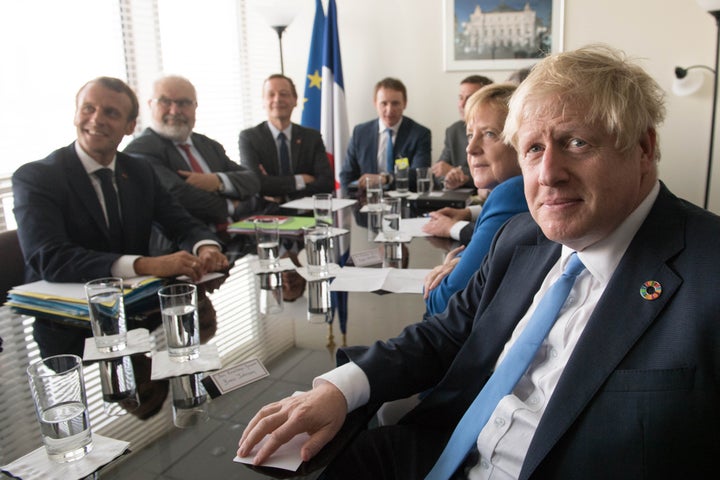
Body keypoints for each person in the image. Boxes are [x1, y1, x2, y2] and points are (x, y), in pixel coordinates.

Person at [236, 45, 720, 478]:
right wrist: (339, 389)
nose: (548, 173)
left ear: (644, 148)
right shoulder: (522, 235)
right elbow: (445, 333)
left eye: (577, 142)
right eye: (533, 149)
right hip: (439, 449)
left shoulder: (708, 270)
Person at [12, 76, 229, 284]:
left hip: (133, 306)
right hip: (59, 311)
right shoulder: (37, 177)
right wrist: (144, 265)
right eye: (88, 108)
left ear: (130, 126)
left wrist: (206, 247)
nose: (96, 119)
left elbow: (180, 223)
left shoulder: (139, 171)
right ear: (75, 115)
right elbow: (49, 257)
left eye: (111, 113)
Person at [423, 83, 527, 317]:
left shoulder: (512, 192)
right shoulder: (515, 190)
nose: (470, 148)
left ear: (522, 141)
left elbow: (442, 302)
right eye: (470, 135)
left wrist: (446, 266)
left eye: (489, 134)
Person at [123, 75, 259, 234]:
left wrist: (217, 181)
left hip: (238, 237)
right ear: (150, 105)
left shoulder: (209, 145)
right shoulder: (140, 149)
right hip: (186, 247)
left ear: (195, 106)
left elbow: (252, 180)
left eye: (183, 103)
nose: (174, 110)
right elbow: (179, 197)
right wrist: (232, 205)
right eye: (165, 101)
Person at [238, 74, 334, 206]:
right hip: (265, 214)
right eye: (271, 94)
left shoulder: (312, 137)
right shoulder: (249, 138)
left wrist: (284, 197)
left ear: (295, 100)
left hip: (307, 214)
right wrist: (300, 180)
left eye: (284, 94)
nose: (277, 99)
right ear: (263, 102)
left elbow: (326, 183)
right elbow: (255, 182)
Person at [339, 77, 431, 195]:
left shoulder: (419, 134)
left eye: (395, 103)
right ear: (375, 103)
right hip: (366, 201)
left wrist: (385, 179)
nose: (389, 109)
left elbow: (419, 174)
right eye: (384, 103)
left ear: (405, 104)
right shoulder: (360, 133)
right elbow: (346, 175)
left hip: (404, 202)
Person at [431, 75, 493, 191]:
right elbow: (439, 172)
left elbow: (496, 172)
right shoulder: (453, 131)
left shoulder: (496, 130)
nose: (462, 104)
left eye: (469, 99)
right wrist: (449, 179)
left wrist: (459, 174)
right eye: (460, 98)